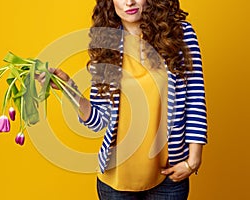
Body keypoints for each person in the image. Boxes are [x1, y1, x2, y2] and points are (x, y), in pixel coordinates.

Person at [38, 0, 207, 199]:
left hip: (169, 176)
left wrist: (193, 160)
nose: (129, 2)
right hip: (116, 181)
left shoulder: (179, 33)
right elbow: (99, 121)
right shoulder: (106, 45)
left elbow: (195, 97)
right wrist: (69, 88)